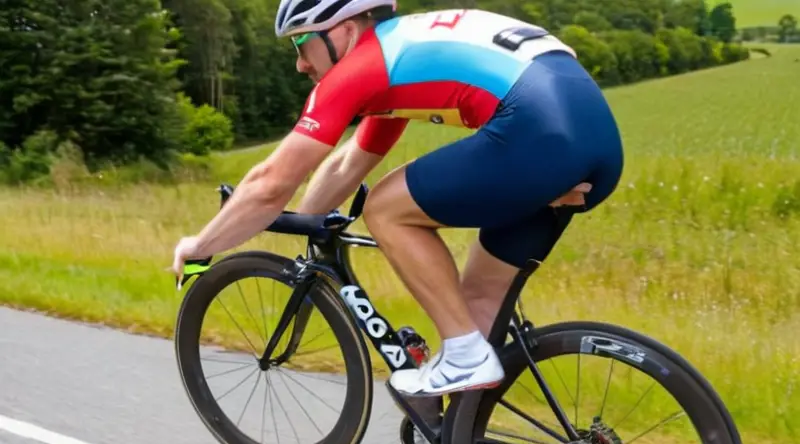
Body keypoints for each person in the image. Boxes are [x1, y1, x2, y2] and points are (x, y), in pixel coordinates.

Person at [171, 0, 624, 398]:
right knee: (475, 303)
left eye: (300, 44)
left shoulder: (362, 66)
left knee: (385, 208)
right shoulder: (399, 58)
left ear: (344, 28)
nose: (300, 65)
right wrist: (301, 220)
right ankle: (460, 425)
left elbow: (271, 182)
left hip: (541, 135)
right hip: (592, 138)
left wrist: (202, 246)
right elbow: (348, 165)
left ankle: (464, 356)